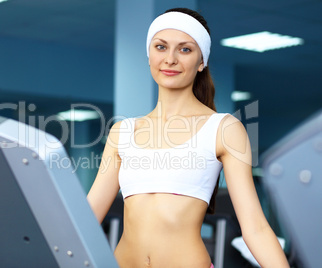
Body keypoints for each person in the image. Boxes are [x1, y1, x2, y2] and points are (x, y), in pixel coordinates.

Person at [87, 7, 289, 268]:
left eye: (184, 49)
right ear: (148, 55)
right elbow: (86, 219)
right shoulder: (122, 132)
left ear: (201, 60)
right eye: (160, 47)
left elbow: (256, 228)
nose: (170, 59)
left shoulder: (223, 129)